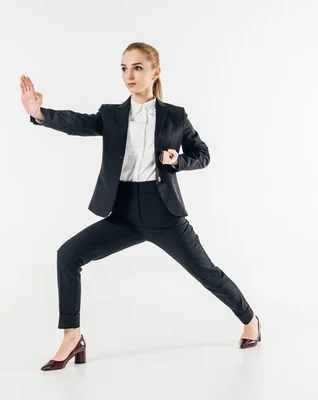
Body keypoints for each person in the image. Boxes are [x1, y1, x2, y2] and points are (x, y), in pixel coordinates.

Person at [19, 42, 261, 372]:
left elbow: (202, 154)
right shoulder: (112, 115)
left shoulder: (175, 115)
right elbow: (79, 122)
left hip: (164, 213)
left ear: (155, 72)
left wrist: (178, 161)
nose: (128, 75)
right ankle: (72, 336)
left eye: (136, 68)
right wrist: (40, 114)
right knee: (68, 255)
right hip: (123, 214)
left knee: (206, 273)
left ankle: (250, 319)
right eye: (123, 68)